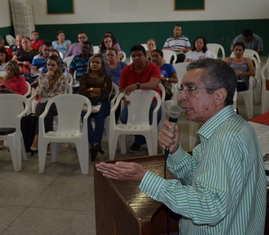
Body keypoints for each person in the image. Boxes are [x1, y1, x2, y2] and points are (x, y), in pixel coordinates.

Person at [95, 58, 266, 234]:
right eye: (182, 89)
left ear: (219, 95)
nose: (181, 97)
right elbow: (199, 178)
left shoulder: (226, 138)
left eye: (190, 89)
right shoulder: (232, 126)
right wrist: (176, 151)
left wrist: (144, 177)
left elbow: (210, 207)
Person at [118, 44, 161, 152]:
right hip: (134, 103)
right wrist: (124, 99)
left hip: (152, 101)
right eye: (133, 56)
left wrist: (137, 86)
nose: (136, 58)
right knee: (123, 118)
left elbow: (153, 84)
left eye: (139, 55)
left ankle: (139, 141)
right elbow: (122, 89)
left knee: (155, 116)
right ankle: (143, 137)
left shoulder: (154, 68)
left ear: (145, 55)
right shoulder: (126, 70)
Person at [30, 55, 67, 153]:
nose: (50, 67)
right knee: (46, 112)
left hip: (57, 104)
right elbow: (40, 92)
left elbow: (59, 94)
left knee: (44, 110)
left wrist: (48, 98)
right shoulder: (42, 77)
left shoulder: (62, 77)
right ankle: (48, 144)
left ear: (58, 66)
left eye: (53, 65)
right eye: (48, 65)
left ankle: (37, 138)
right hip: (43, 104)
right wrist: (47, 77)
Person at [79, 54, 112, 161]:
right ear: (89, 64)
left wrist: (90, 89)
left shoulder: (106, 76)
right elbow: (82, 92)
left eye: (97, 62)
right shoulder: (85, 76)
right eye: (93, 62)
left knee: (100, 118)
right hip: (88, 103)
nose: (94, 64)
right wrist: (98, 90)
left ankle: (94, 145)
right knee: (84, 116)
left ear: (102, 64)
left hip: (103, 103)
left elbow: (106, 92)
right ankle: (95, 143)